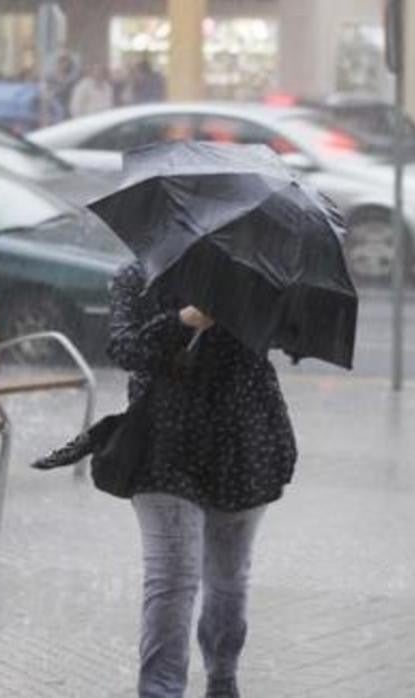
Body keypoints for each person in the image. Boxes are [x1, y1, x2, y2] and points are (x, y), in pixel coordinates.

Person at [107, 261, 297, 697]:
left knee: (228, 576)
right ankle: (160, 691)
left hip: (243, 444)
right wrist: (185, 320)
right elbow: (124, 348)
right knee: (172, 577)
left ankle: (223, 677)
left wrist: (250, 300)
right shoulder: (138, 275)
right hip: (163, 445)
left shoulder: (258, 271)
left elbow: (290, 335)